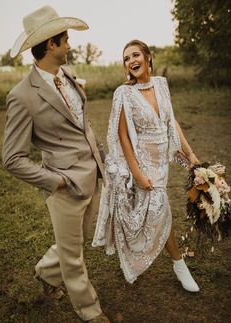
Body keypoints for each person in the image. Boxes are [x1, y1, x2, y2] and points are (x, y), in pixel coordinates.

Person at [2, 5, 109, 323]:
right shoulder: (22, 96)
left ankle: (46, 273)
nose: (70, 44)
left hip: (91, 177)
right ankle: (90, 311)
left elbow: (83, 125)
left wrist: (101, 159)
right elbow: (11, 158)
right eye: (66, 39)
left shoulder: (70, 76)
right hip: (64, 185)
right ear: (51, 44)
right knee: (74, 257)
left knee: (73, 243)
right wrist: (56, 182)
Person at [92, 39, 200, 292]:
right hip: (142, 161)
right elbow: (123, 138)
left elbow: (171, 122)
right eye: (126, 58)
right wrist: (138, 174)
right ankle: (179, 264)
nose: (131, 61)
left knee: (152, 212)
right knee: (159, 209)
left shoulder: (162, 84)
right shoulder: (124, 94)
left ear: (148, 57)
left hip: (162, 160)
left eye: (135, 55)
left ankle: (141, 254)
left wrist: (190, 154)